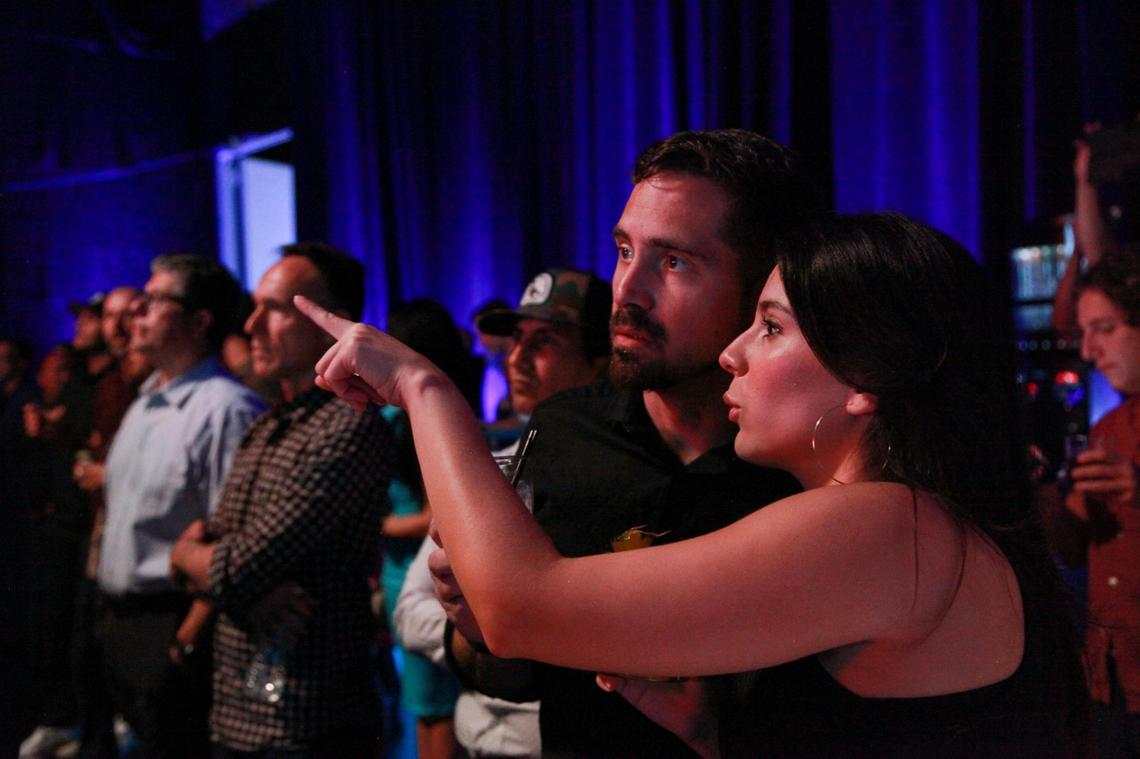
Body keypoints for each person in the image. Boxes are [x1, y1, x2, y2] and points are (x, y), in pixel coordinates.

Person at [297, 211, 1090, 758]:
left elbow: (519, 605)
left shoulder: (890, 526)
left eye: (772, 327)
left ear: (864, 380)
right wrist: (718, 733)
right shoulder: (913, 528)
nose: (734, 353)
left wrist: (422, 388)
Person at [428, 129, 813, 758]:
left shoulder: (807, 465)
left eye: (673, 262)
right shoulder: (561, 431)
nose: (627, 291)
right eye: (624, 251)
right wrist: (477, 625)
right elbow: (514, 678)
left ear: (764, 284)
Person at [169, 242, 393, 756]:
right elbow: (227, 551)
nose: (251, 326)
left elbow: (234, 563)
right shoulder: (269, 423)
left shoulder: (348, 425)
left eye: (274, 309)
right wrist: (213, 565)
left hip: (307, 719)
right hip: (237, 710)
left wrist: (186, 555)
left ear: (328, 323)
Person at [393, 268, 612, 759]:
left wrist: (510, 620)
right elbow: (409, 607)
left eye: (545, 342)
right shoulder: (489, 468)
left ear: (602, 358)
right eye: (515, 340)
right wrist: (485, 632)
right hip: (476, 740)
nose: (517, 359)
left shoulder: (622, 476)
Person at [97, 254, 265, 758]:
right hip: (120, 623)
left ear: (199, 320)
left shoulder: (225, 409)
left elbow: (236, 536)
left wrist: (186, 640)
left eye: (155, 300)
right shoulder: (144, 403)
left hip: (171, 625)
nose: (137, 312)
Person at [379, 298, 482, 759]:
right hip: (399, 569)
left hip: (423, 568)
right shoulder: (406, 413)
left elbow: (437, 511)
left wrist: (377, 524)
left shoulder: (424, 417)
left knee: (434, 707)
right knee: (424, 706)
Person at [1065, 252, 1140, 758]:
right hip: (1111, 670)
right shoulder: (1108, 428)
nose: (1089, 351)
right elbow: (1075, 549)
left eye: (1105, 329)